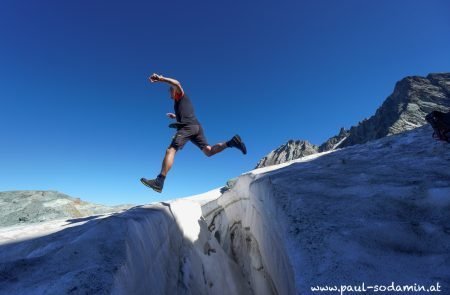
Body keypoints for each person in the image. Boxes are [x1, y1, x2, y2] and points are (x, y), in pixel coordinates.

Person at [140, 73, 247, 193]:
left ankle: (159, 181)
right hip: (196, 126)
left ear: (174, 91)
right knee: (209, 151)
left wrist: (161, 79)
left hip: (188, 126)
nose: (169, 96)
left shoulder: (180, 95)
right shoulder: (179, 103)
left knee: (171, 150)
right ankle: (232, 142)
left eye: (170, 92)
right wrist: (176, 117)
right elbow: (186, 114)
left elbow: (177, 83)